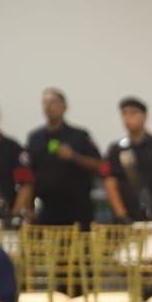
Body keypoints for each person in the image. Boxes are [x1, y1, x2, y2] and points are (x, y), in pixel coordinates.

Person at [17, 88, 101, 229]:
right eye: (45, 103)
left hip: (77, 208)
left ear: (65, 107)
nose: (49, 106)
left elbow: (100, 166)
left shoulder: (79, 135)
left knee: (79, 249)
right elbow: (28, 175)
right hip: (45, 208)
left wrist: (74, 156)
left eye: (54, 102)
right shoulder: (35, 137)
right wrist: (28, 207)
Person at [102, 97, 152, 224]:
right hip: (127, 221)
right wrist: (121, 215)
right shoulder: (116, 149)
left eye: (133, 113)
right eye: (124, 114)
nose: (128, 118)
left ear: (145, 116)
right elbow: (110, 182)